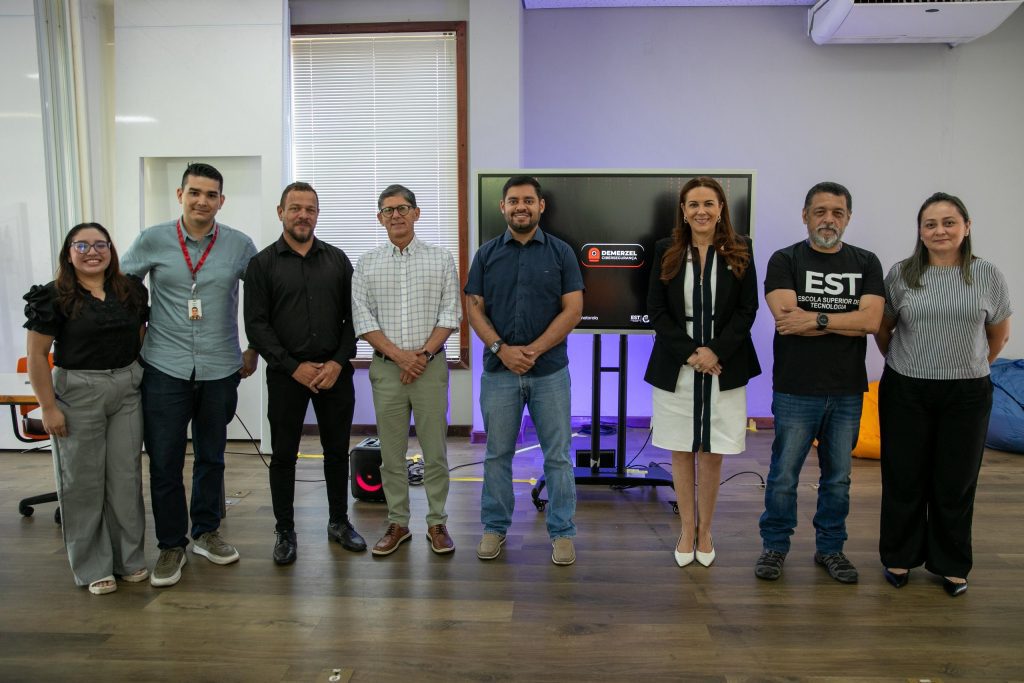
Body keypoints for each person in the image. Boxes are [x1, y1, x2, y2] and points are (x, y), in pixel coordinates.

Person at [121, 162, 258, 587]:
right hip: (165, 366)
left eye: (211, 195)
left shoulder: (239, 245)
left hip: (220, 366)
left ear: (221, 200)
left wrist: (253, 347)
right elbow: (122, 290)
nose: (202, 201)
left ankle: (206, 532)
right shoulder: (152, 239)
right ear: (180, 195)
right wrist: (134, 339)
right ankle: (170, 545)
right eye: (194, 193)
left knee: (212, 456)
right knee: (164, 460)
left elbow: (263, 298)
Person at [875, 192, 1011, 597]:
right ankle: (899, 556)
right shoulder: (901, 274)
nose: (940, 231)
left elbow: (999, 334)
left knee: (956, 481)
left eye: (949, 222)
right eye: (930, 224)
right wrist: (907, 362)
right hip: (906, 388)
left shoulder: (987, 275)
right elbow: (883, 328)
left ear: (966, 227)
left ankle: (951, 563)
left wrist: (970, 365)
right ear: (920, 232)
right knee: (903, 476)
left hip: (967, 393)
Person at [757, 181, 884, 584]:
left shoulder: (866, 262)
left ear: (848, 218)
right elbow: (786, 320)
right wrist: (846, 321)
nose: (829, 220)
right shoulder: (785, 259)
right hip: (795, 388)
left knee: (838, 479)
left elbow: (871, 321)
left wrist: (814, 319)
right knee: (783, 476)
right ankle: (775, 547)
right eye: (820, 211)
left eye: (837, 213)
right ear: (805, 215)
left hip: (847, 390)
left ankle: (831, 549)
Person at [23, 223, 149, 594]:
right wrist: (48, 407)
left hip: (126, 389)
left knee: (126, 479)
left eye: (100, 244)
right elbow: (36, 356)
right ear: (69, 252)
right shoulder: (52, 296)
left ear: (111, 249)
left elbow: (140, 333)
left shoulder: (129, 290)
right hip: (78, 393)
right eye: (82, 245)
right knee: (83, 483)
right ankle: (93, 566)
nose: (92, 252)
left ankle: (129, 559)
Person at [465, 175, 584, 566]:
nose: (521, 206)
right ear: (503, 206)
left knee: (558, 457)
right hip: (499, 373)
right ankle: (494, 528)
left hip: (550, 372)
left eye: (528, 200)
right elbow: (474, 309)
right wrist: (502, 350)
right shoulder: (485, 255)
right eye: (514, 200)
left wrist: (532, 351)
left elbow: (573, 310)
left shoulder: (561, 253)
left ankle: (562, 532)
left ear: (540, 206)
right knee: (497, 455)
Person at [244, 182, 364, 565]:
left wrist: (337, 362)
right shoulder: (262, 264)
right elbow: (257, 325)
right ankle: (284, 530)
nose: (302, 215)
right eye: (295, 208)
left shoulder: (338, 260)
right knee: (283, 456)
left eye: (310, 209)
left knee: (336, 453)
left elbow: (355, 318)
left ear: (317, 214)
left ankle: (339, 521)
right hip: (286, 375)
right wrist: (293, 366)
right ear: (280, 212)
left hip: (334, 373)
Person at [644, 177, 760, 568]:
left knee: (712, 451)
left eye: (709, 203)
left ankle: (706, 531)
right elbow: (656, 310)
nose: (701, 211)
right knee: (680, 448)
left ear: (721, 208)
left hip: (725, 362)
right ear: (683, 211)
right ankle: (686, 530)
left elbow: (747, 309)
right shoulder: (666, 250)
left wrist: (715, 351)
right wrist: (693, 352)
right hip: (677, 362)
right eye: (693, 204)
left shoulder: (741, 249)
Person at [352, 184, 462, 556]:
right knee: (391, 454)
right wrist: (401, 358)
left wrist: (422, 357)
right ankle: (398, 522)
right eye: (388, 210)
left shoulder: (441, 259)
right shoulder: (367, 263)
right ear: (379, 218)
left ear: (416, 213)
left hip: (430, 368)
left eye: (402, 208)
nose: (396, 215)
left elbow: (451, 313)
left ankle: (437, 522)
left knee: (435, 452)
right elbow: (363, 319)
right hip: (387, 371)